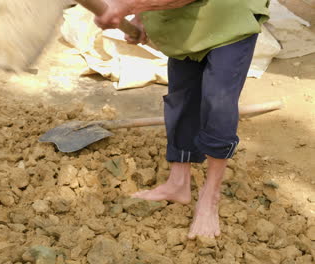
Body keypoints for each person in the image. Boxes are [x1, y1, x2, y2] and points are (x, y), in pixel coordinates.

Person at [94, 0, 269, 239]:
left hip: (228, 16)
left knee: (218, 101)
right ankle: (178, 183)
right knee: (182, 95)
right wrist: (142, 17)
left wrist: (130, 5)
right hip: (182, 22)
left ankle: (210, 196)